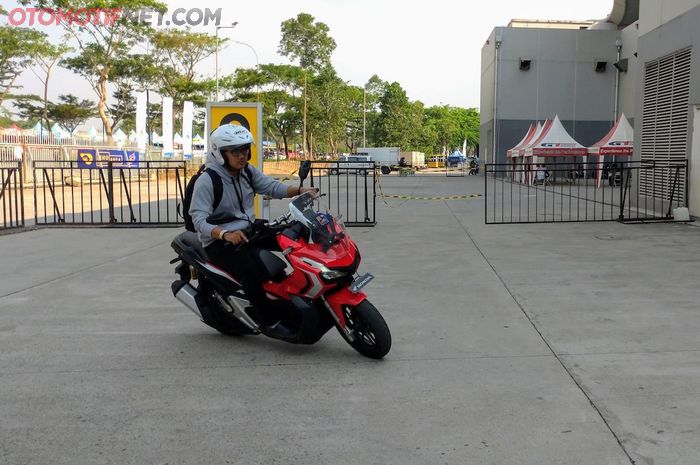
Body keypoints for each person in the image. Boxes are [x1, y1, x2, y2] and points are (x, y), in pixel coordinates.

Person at [189, 124, 316, 337]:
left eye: (246, 149)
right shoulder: (208, 180)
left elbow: (271, 187)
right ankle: (267, 319)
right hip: (219, 241)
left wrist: (300, 190)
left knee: (295, 239)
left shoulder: (246, 171)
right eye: (236, 151)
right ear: (220, 154)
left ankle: (298, 295)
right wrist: (225, 234)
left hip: (248, 231)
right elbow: (198, 220)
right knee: (253, 269)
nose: (243, 155)